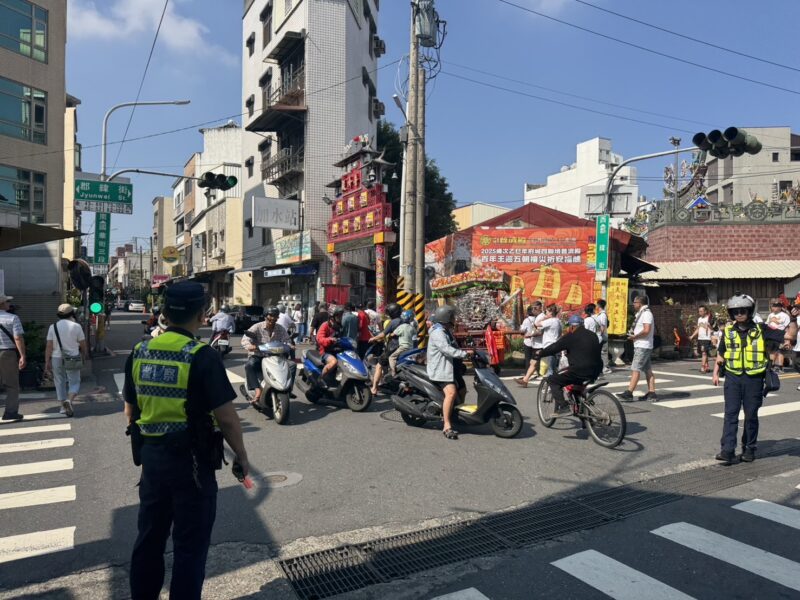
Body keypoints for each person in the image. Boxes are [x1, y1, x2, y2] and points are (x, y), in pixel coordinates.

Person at [123, 282, 249, 599]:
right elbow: (227, 418)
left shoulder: (140, 352)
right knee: (189, 546)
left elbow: (130, 411)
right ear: (202, 315)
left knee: (149, 538)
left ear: (164, 313)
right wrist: (241, 456)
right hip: (193, 464)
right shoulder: (202, 356)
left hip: (152, 461)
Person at [712, 293, 784, 465]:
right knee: (730, 414)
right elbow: (721, 354)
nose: (739, 314)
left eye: (743, 310)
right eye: (735, 311)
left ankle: (749, 448)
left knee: (751, 415)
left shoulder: (762, 329)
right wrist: (715, 372)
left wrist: (794, 319)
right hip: (732, 377)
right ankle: (727, 450)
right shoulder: (728, 332)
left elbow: (788, 336)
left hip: (754, 378)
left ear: (750, 311)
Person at [536, 314, 603, 415]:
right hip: (597, 369)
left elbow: (555, 347)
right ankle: (582, 411)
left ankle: (563, 407)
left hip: (580, 370)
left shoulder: (571, 336)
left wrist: (540, 353)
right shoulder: (593, 335)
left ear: (571, 326)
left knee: (553, 380)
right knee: (577, 385)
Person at [427, 305, 471, 440]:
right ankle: (446, 425)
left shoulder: (446, 330)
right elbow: (446, 349)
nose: (454, 319)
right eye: (452, 317)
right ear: (446, 318)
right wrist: (464, 354)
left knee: (462, 390)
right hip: (441, 369)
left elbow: (453, 346)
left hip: (452, 367)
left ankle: (455, 414)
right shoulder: (437, 332)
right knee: (451, 393)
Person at [242, 306, 290, 406]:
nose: (273, 318)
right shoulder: (257, 327)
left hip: (275, 357)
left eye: (275, 316)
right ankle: (257, 389)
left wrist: (290, 345)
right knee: (250, 365)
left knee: (292, 365)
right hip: (259, 355)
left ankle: (288, 388)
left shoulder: (280, 328)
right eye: (270, 316)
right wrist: (250, 346)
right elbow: (245, 339)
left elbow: (287, 340)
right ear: (265, 316)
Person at [44, 304, 87, 417]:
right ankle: (69, 400)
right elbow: (83, 344)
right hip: (73, 357)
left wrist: (47, 361)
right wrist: (84, 354)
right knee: (75, 381)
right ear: (72, 313)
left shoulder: (53, 327)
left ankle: (63, 406)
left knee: (59, 381)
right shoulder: (76, 326)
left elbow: (49, 346)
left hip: (56, 357)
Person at [618, 296, 657, 402]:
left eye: (635, 302)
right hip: (642, 345)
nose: (633, 304)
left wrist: (635, 337)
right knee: (647, 370)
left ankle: (629, 393)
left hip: (643, 346)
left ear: (640, 303)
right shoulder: (642, 313)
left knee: (635, 369)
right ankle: (652, 393)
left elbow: (646, 330)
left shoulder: (646, 314)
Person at [0, 294, 25, 422]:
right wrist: (22, 355)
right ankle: (10, 412)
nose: (9, 303)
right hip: (7, 353)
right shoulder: (12, 318)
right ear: (2, 304)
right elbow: (17, 337)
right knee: (11, 384)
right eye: (7, 301)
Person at [368, 302, 402, 395]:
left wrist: (373, 338)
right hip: (404, 347)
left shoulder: (393, 322)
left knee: (379, 365)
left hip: (392, 348)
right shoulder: (403, 320)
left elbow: (383, 334)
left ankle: (374, 388)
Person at [515, 302, 544, 387]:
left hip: (539, 344)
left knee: (534, 362)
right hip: (536, 344)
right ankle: (525, 380)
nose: (533, 310)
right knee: (533, 362)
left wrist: (530, 335)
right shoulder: (537, 317)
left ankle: (526, 379)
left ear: (539, 308)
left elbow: (540, 332)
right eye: (532, 308)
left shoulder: (541, 317)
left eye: (535, 308)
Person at [316, 306, 345, 383]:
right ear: (332, 317)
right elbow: (319, 339)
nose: (341, 317)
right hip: (325, 352)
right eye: (339, 315)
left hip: (338, 351)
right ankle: (320, 379)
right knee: (334, 362)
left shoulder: (340, 326)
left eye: (341, 315)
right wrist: (329, 339)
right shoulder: (325, 325)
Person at [766, 299, 791, 372]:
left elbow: (787, 327)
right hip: (771, 334)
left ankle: (779, 366)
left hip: (780, 334)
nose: (775, 308)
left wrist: (787, 340)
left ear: (780, 307)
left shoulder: (785, 315)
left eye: (777, 306)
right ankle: (771, 366)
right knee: (771, 351)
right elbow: (767, 324)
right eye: (774, 306)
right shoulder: (770, 315)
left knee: (780, 351)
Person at [388, 310, 416, 376]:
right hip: (411, 347)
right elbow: (415, 334)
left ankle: (393, 372)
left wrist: (389, 335)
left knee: (392, 357)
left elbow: (393, 334)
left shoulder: (401, 327)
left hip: (403, 347)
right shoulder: (411, 327)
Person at [538, 305, 562, 377]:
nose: (546, 313)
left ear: (551, 312)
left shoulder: (550, 321)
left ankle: (550, 382)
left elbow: (537, 323)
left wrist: (544, 318)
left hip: (549, 346)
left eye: (546, 312)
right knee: (553, 368)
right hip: (556, 345)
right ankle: (553, 381)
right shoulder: (558, 321)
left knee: (550, 369)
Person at [689, 305, 713, 373]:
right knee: (704, 353)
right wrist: (692, 336)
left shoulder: (709, 318)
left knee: (704, 353)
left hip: (707, 338)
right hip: (700, 338)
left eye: (701, 311)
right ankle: (707, 367)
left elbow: (712, 328)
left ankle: (702, 367)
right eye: (699, 311)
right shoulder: (699, 319)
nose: (700, 312)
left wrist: (709, 326)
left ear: (705, 311)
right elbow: (698, 329)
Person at [595, 299, 611, 374]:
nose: (596, 306)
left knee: (603, 352)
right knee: (600, 352)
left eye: (597, 304)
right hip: (601, 336)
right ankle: (601, 367)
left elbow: (603, 326)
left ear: (599, 305)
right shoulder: (600, 314)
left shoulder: (603, 315)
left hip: (602, 336)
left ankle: (605, 368)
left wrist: (600, 335)